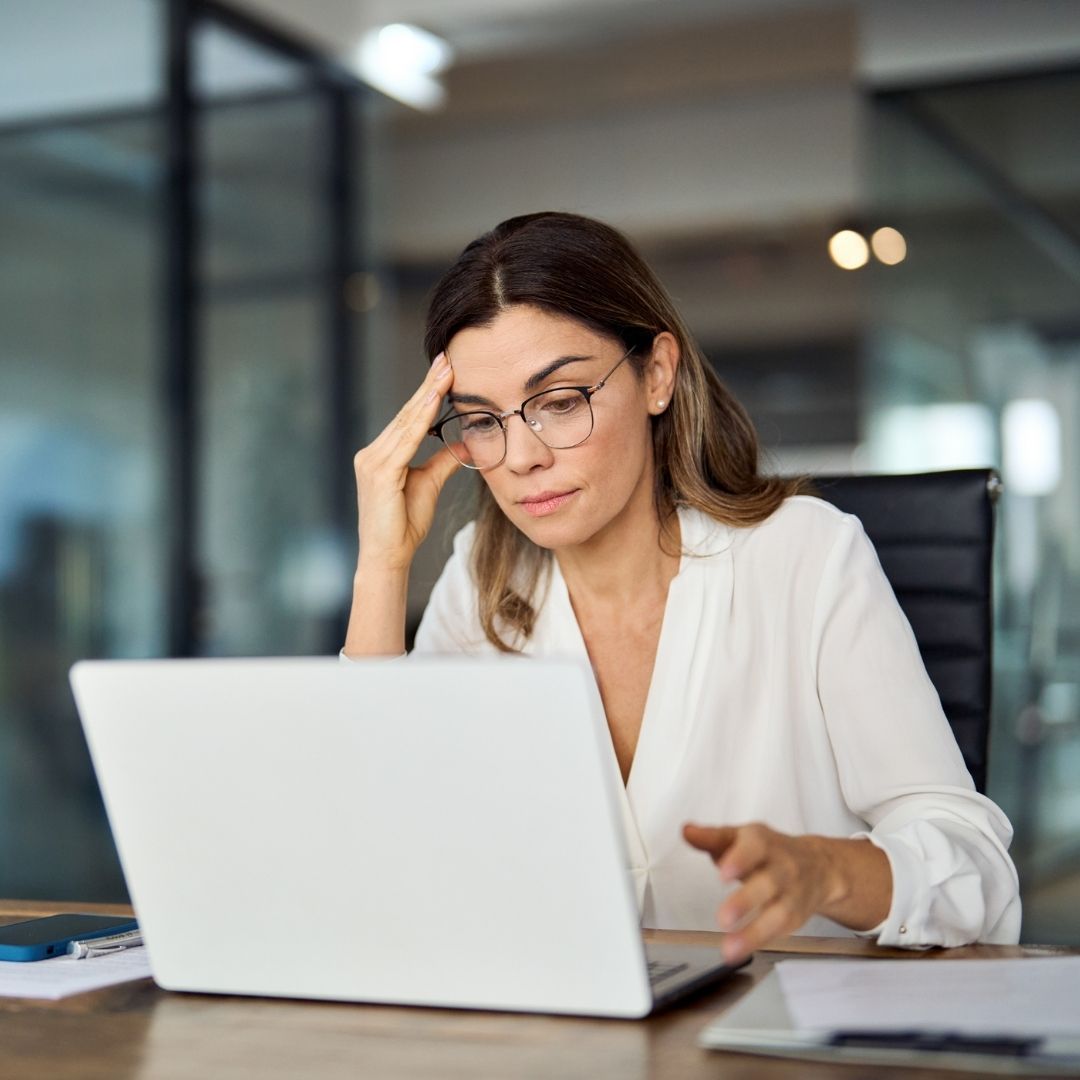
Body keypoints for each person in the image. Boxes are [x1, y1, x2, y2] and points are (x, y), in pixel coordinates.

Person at [344, 211, 1020, 963]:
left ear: (657, 374)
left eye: (561, 401)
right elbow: (381, 858)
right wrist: (381, 565)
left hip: (784, 1036)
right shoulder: (481, 581)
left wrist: (825, 870)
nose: (522, 456)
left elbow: (976, 865)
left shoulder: (804, 556)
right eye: (481, 420)